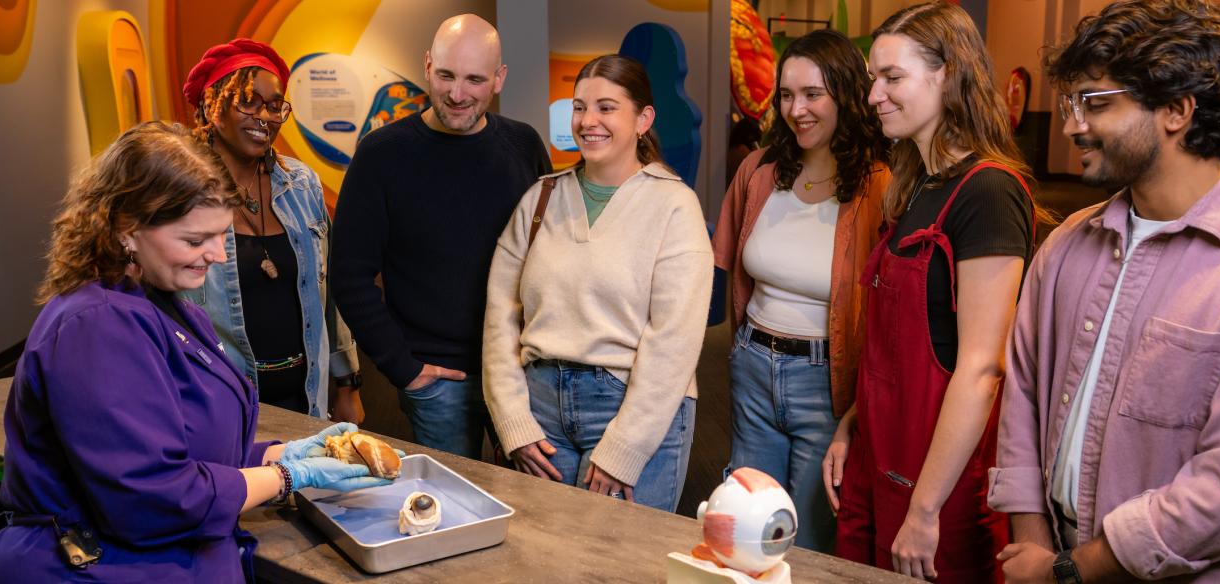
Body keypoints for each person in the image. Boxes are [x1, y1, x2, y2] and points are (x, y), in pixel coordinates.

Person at [989, 2, 1220, 582]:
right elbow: (1022, 397)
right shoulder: (1068, 243)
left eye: (1096, 103)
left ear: (1176, 110)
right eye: (1071, 105)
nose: (1071, 126)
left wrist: (1070, 571)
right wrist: (1034, 546)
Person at [0, 122, 393, 583]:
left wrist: (280, 454)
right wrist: (288, 477)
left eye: (221, 234)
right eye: (195, 240)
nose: (218, 255)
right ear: (127, 229)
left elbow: (187, 451)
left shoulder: (164, 303)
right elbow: (150, 498)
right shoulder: (96, 326)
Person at [823, 3, 1051, 580]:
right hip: (881, 452)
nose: (873, 95)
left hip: (938, 480)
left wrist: (925, 510)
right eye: (873, 78)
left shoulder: (989, 191)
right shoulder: (914, 184)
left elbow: (981, 367)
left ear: (948, 75)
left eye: (891, 78)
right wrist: (853, 423)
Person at [483, 54, 712, 512]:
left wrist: (625, 448)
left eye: (606, 107)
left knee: (620, 553)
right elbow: (500, 318)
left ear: (643, 119)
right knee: (541, 549)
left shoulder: (674, 205)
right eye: (579, 107)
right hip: (540, 410)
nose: (588, 121)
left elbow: (674, 340)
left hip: (632, 408)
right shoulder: (541, 197)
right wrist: (513, 423)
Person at [331, 14, 551, 458]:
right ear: (428, 65)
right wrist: (403, 367)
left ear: (499, 78)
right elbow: (348, 276)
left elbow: (551, 255)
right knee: (452, 496)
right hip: (437, 379)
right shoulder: (381, 155)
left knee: (533, 494)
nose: (457, 93)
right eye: (446, 75)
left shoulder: (524, 146)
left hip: (520, 369)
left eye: (475, 79)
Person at [713, 28, 890, 552]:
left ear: (847, 95)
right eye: (787, 95)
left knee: (810, 539)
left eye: (813, 94)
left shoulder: (881, 183)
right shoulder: (759, 170)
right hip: (752, 367)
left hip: (828, 381)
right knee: (749, 527)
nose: (797, 110)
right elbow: (726, 267)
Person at [180, 38, 362, 421]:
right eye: (249, 101)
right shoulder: (183, 195)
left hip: (306, 400)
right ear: (212, 107)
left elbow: (330, 291)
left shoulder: (302, 185)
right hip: (221, 405)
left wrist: (348, 383)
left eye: (275, 105)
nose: (265, 116)